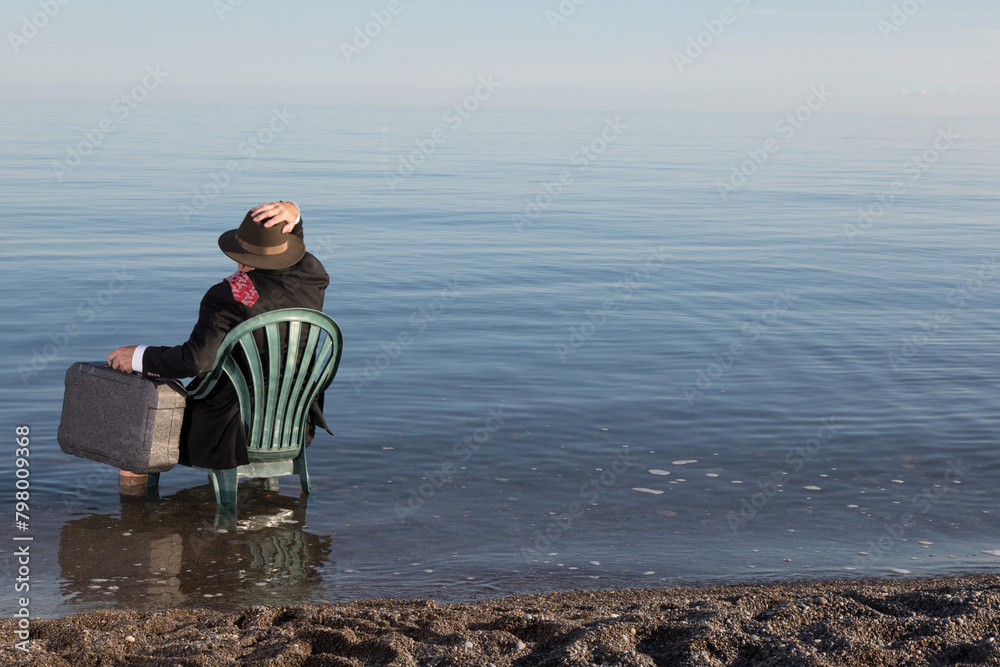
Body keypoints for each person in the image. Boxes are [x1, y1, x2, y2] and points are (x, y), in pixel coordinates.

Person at [108, 201, 331, 492]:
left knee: (136, 427)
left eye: (244, 256)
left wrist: (139, 356)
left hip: (227, 436)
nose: (239, 265)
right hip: (294, 427)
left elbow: (196, 361)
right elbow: (296, 252)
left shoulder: (226, 296)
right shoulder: (313, 275)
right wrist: (294, 215)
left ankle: (134, 517)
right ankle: (243, 490)